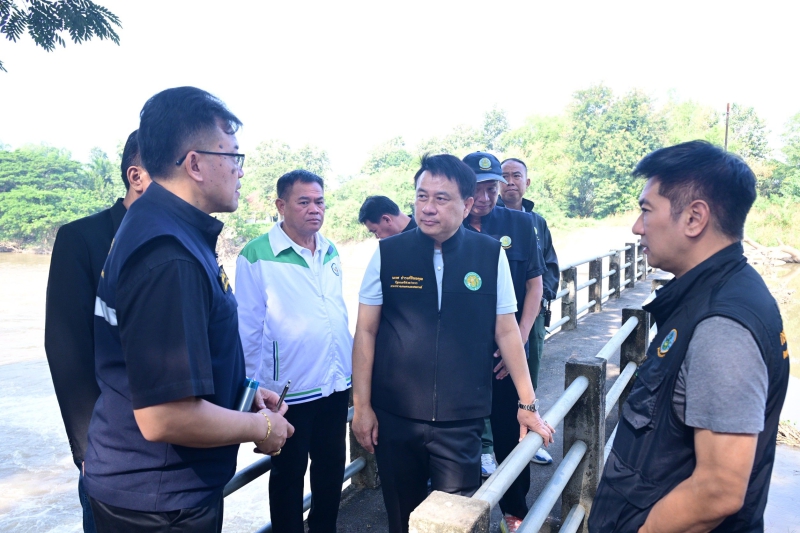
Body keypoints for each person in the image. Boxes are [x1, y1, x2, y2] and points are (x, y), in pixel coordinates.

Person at [84, 86, 293, 532]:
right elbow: (164, 415)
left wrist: (241, 392)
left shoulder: (158, 225)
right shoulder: (169, 254)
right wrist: (261, 428)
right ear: (195, 164)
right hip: (159, 503)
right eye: (233, 156)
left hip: (155, 490)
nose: (240, 170)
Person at [589, 141, 790, 532]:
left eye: (647, 210)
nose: (637, 226)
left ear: (694, 218)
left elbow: (718, 491)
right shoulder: (709, 294)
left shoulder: (722, 326)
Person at [352, 154, 555, 533]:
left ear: (466, 204)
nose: (428, 208)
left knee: (457, 519)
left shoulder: (489, 254)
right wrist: (362, 407)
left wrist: (527, 404)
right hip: (396, 417)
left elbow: (507, 331)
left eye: (441, 198)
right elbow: (365, 332)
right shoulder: (388, 254)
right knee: (402, 519)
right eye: (422, 196)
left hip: (461, 421)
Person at [44, 129, 151, 532]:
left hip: (179, 444)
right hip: (112, 447)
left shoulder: (185, 239)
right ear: (135, 176)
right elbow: (65, 346)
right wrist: (88, 447)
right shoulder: (82, 238)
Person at [236, 169, 353, 533]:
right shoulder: (257, 255)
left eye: (319, 201)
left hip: (334, 383)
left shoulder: (330, 248)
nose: (314, 209)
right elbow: (247, 329)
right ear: (281, 205)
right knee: (288, 472)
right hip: (287, 392)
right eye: (304, 202)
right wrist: (252, 391)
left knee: (331, 467)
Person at [461, 152, 547, 532]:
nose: (485, 198)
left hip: (506, 355)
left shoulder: (521, 224)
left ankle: (515, 513)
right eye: (477, 189)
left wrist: (520, 339)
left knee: (512, 433)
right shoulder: (448, 227)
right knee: (459, 438)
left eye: (492, 189)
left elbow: (535, 285)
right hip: (461, 357)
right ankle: (461, 512)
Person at [499, 157, 560, 421]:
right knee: (497, 376)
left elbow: (550, 265)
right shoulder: (488, 219)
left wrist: (541, 299)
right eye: (504, 177)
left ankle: (528, 424)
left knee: (529, 371)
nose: (510, 182)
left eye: (516, 176)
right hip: (500, 314)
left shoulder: (537, 222)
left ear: (527, 182)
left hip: (533, 314)